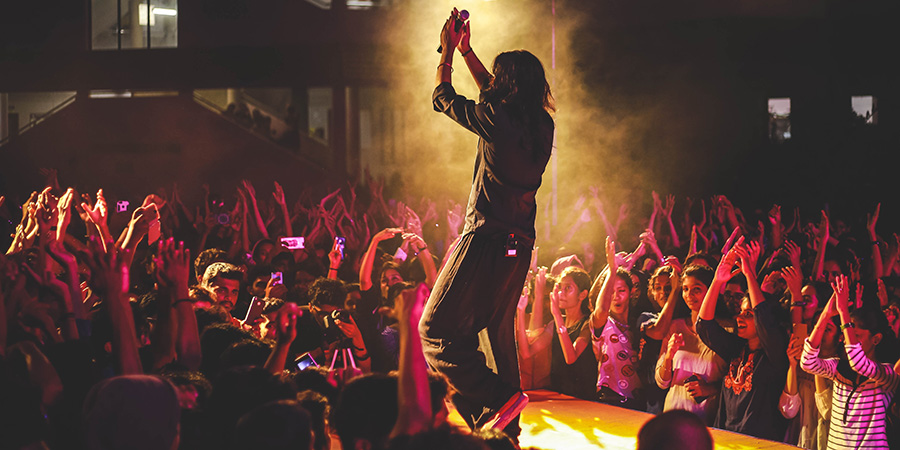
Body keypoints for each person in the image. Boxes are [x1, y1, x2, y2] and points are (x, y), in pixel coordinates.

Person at [419, 8, 554, 438]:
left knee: (435, 331)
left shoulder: (497, 117)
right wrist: (468, 52)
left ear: (506, 85)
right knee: (496, 334)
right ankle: (503, 430)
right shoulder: (542, 124)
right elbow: (497, 99)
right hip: (520, 243)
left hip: (484, 237)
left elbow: (442, 99)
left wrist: (446, 55)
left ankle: (498, 400)